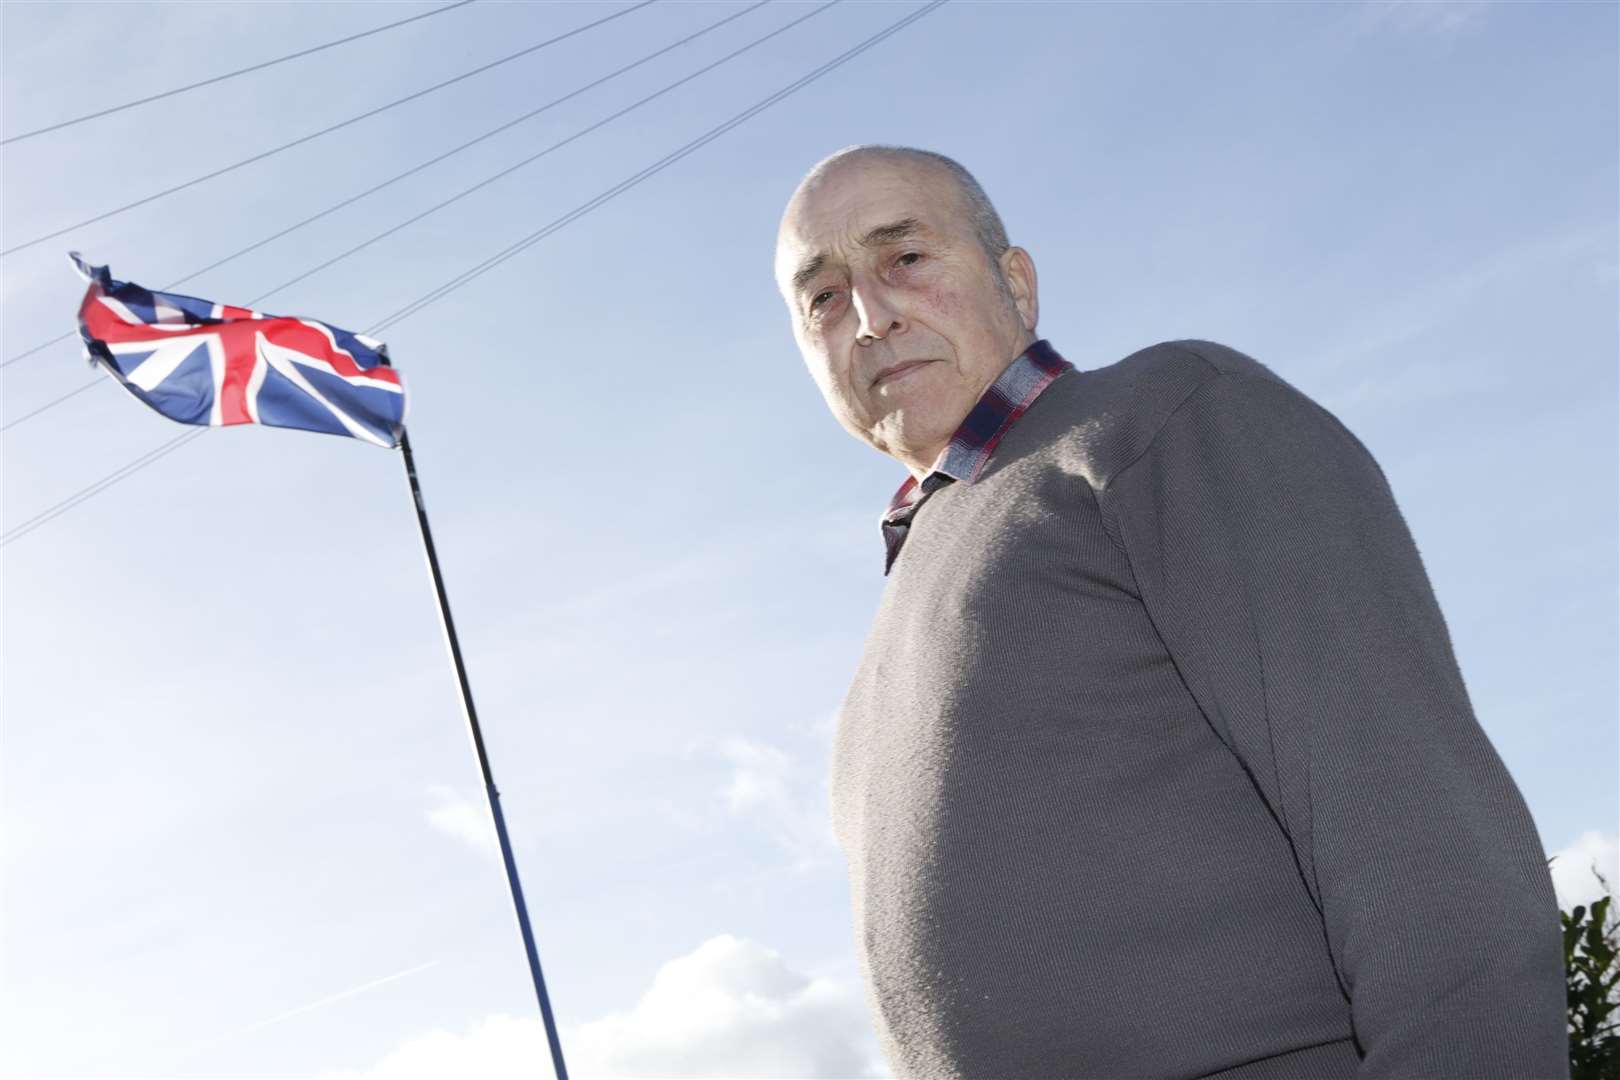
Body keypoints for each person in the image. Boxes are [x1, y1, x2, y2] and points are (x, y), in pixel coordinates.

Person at [772, 144, 1570, 1079]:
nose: (869, 317)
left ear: (1016, 284)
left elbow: (1422, 840)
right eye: (822, 295)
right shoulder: (900, 604)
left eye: (905, 258)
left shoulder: (1160, 420)